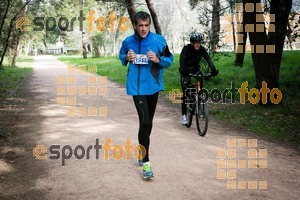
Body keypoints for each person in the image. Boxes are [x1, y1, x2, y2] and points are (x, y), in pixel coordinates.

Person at [119, 11, 174, 179]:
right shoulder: (128, 41)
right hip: (136, 89)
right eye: (140, 26)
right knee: (144, 121)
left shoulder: (159, 40)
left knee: (149, 123)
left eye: (146, 25)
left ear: (149, 25)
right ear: (135, 26)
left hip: (153, 87)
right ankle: (147, 163)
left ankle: (142, 149)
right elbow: (121, 56)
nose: (143, 29)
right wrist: (126, 57)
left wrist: (157, 59)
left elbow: (169, 60)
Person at [179, 33, 219, 125]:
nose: (197, 44)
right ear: (192, 43)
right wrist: (183, 70)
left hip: (195, 69)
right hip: (186, 70)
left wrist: (213, 70)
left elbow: (208, 59)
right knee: (185, 91)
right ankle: (184, 115)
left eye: (199, 42)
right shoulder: (186, 49)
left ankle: (198, 103)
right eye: (195, 43)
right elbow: (182, 59)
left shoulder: (201, 49)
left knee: (200, 80)